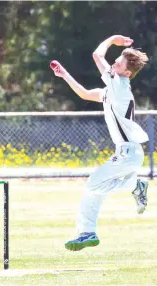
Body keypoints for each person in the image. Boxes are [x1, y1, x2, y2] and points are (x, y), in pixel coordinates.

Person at [50, 35, 149, 251]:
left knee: (93, 184)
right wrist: (64, 75)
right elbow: (85, 94)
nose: (114, 63)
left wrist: (113, 39)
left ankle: (135, 185)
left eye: (119, 63)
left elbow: (97, 55)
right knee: (95, 190)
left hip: (128, 153)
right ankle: (87, 232)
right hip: (127, 154)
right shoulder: (111, 90)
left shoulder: (119, 86)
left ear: (127, 73)